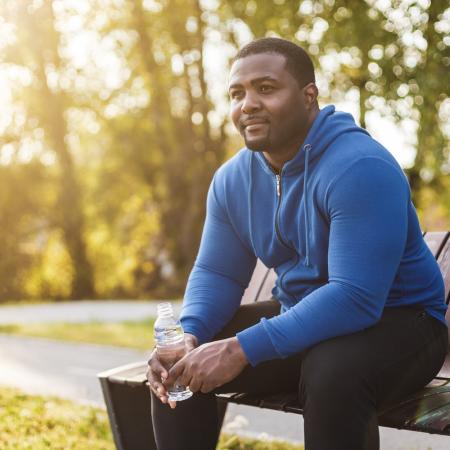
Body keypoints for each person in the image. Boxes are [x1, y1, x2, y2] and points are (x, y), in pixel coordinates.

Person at [146, 37, 448, 450]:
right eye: (237, 93)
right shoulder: (232, 180)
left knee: (333, 372)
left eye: (265, 88)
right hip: (305, 315)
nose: (247, 103)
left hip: (402, 322)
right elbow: (217, 272)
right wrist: (192, 334)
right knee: (176, 363)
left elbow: (355, 297)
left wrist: (240, 349)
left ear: (309, 97)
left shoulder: (360, 167)